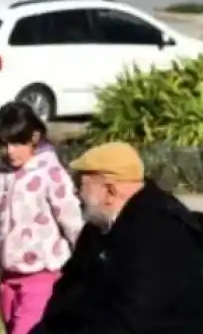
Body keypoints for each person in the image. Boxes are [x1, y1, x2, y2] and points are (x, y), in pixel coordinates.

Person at [31, 142, 203, 334]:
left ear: (110, 192)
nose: (75, 193)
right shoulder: (97, 229)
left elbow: (132, 318)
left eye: (80, 185)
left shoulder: (160, 234)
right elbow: (68, 292)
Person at [0, 103, 82, 334]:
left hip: (43, 276)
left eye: (17, 143)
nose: (10, 151)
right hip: (7, 279)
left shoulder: (51, 174)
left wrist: (86, 267)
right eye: (3, 144)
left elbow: (73, 224)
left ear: (34, 137)